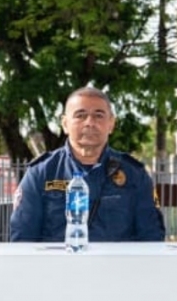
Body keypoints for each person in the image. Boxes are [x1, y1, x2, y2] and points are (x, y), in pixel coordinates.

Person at [10, 87, 165, 242]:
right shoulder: (41, 174)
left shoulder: (135, 175)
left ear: (111, 124)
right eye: (80, 115)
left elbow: (152, 239)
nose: (90, 123)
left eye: (98, 115)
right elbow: (23, 240)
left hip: (116, 266)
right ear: (65, 124)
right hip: (58, 266)